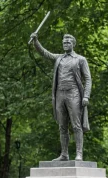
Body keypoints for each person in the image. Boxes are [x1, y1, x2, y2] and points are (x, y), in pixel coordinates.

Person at [30, 33, 92, 161]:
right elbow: (44, 53)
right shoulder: (59, 58)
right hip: (59, 94)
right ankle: (64, 154)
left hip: (74, 93)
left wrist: (86, 96)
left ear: (73, 44)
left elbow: (88, 78)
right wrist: (36, 41)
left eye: (68, 42)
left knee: (76, 125)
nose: (65, 44)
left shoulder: (80, 59)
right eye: (64, 42)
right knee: (62, 126)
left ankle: (79, 153)